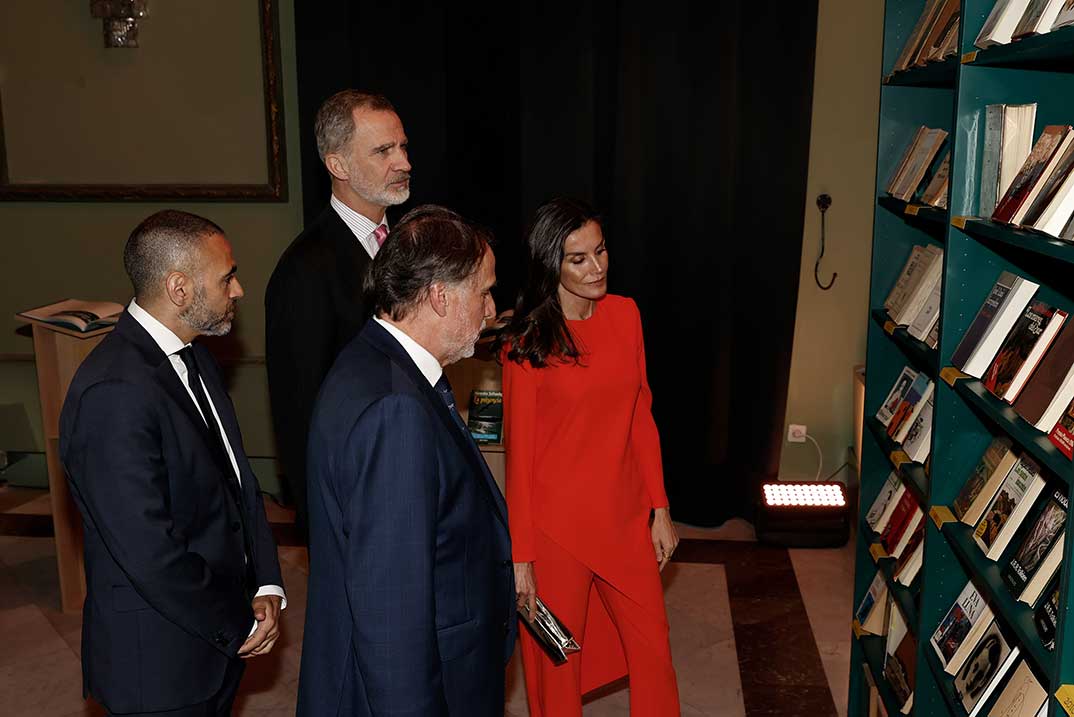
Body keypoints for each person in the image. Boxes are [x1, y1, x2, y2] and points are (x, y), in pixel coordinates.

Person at [59, 210, 285, 716]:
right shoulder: (113, 392)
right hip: (159, 668)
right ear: (179, 288)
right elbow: (149, 551)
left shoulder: (196, 355)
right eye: (227, 276)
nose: (239, 289)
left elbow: (238, 485)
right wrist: (237, 623)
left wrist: (265, 582)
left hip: (213, 643)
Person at [296, 205, 516, 716]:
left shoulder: (373, 362)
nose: (491, 310)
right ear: (440, 295)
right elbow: (391, 612)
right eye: (484, 291)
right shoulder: (395, 410)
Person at [498, 197, 680, 716]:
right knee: (558, 661)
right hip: (557, 533)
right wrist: (522, 558)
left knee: (655, 653)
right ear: (550, 264)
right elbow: (520, 458)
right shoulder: (526, 342)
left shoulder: (626, 315)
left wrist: (660, 508)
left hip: (624, 520)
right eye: (578, 258)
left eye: (600, 251)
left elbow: (641, 415)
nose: (597, 267)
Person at [265, 90, 412, 542]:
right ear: (338, 166)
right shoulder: (304, 269)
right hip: (354, 495)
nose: (403, 162)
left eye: (403, 147)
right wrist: (323, 516)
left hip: (406, 469)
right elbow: (300, 411)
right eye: (384, 151)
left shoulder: (407, 242)